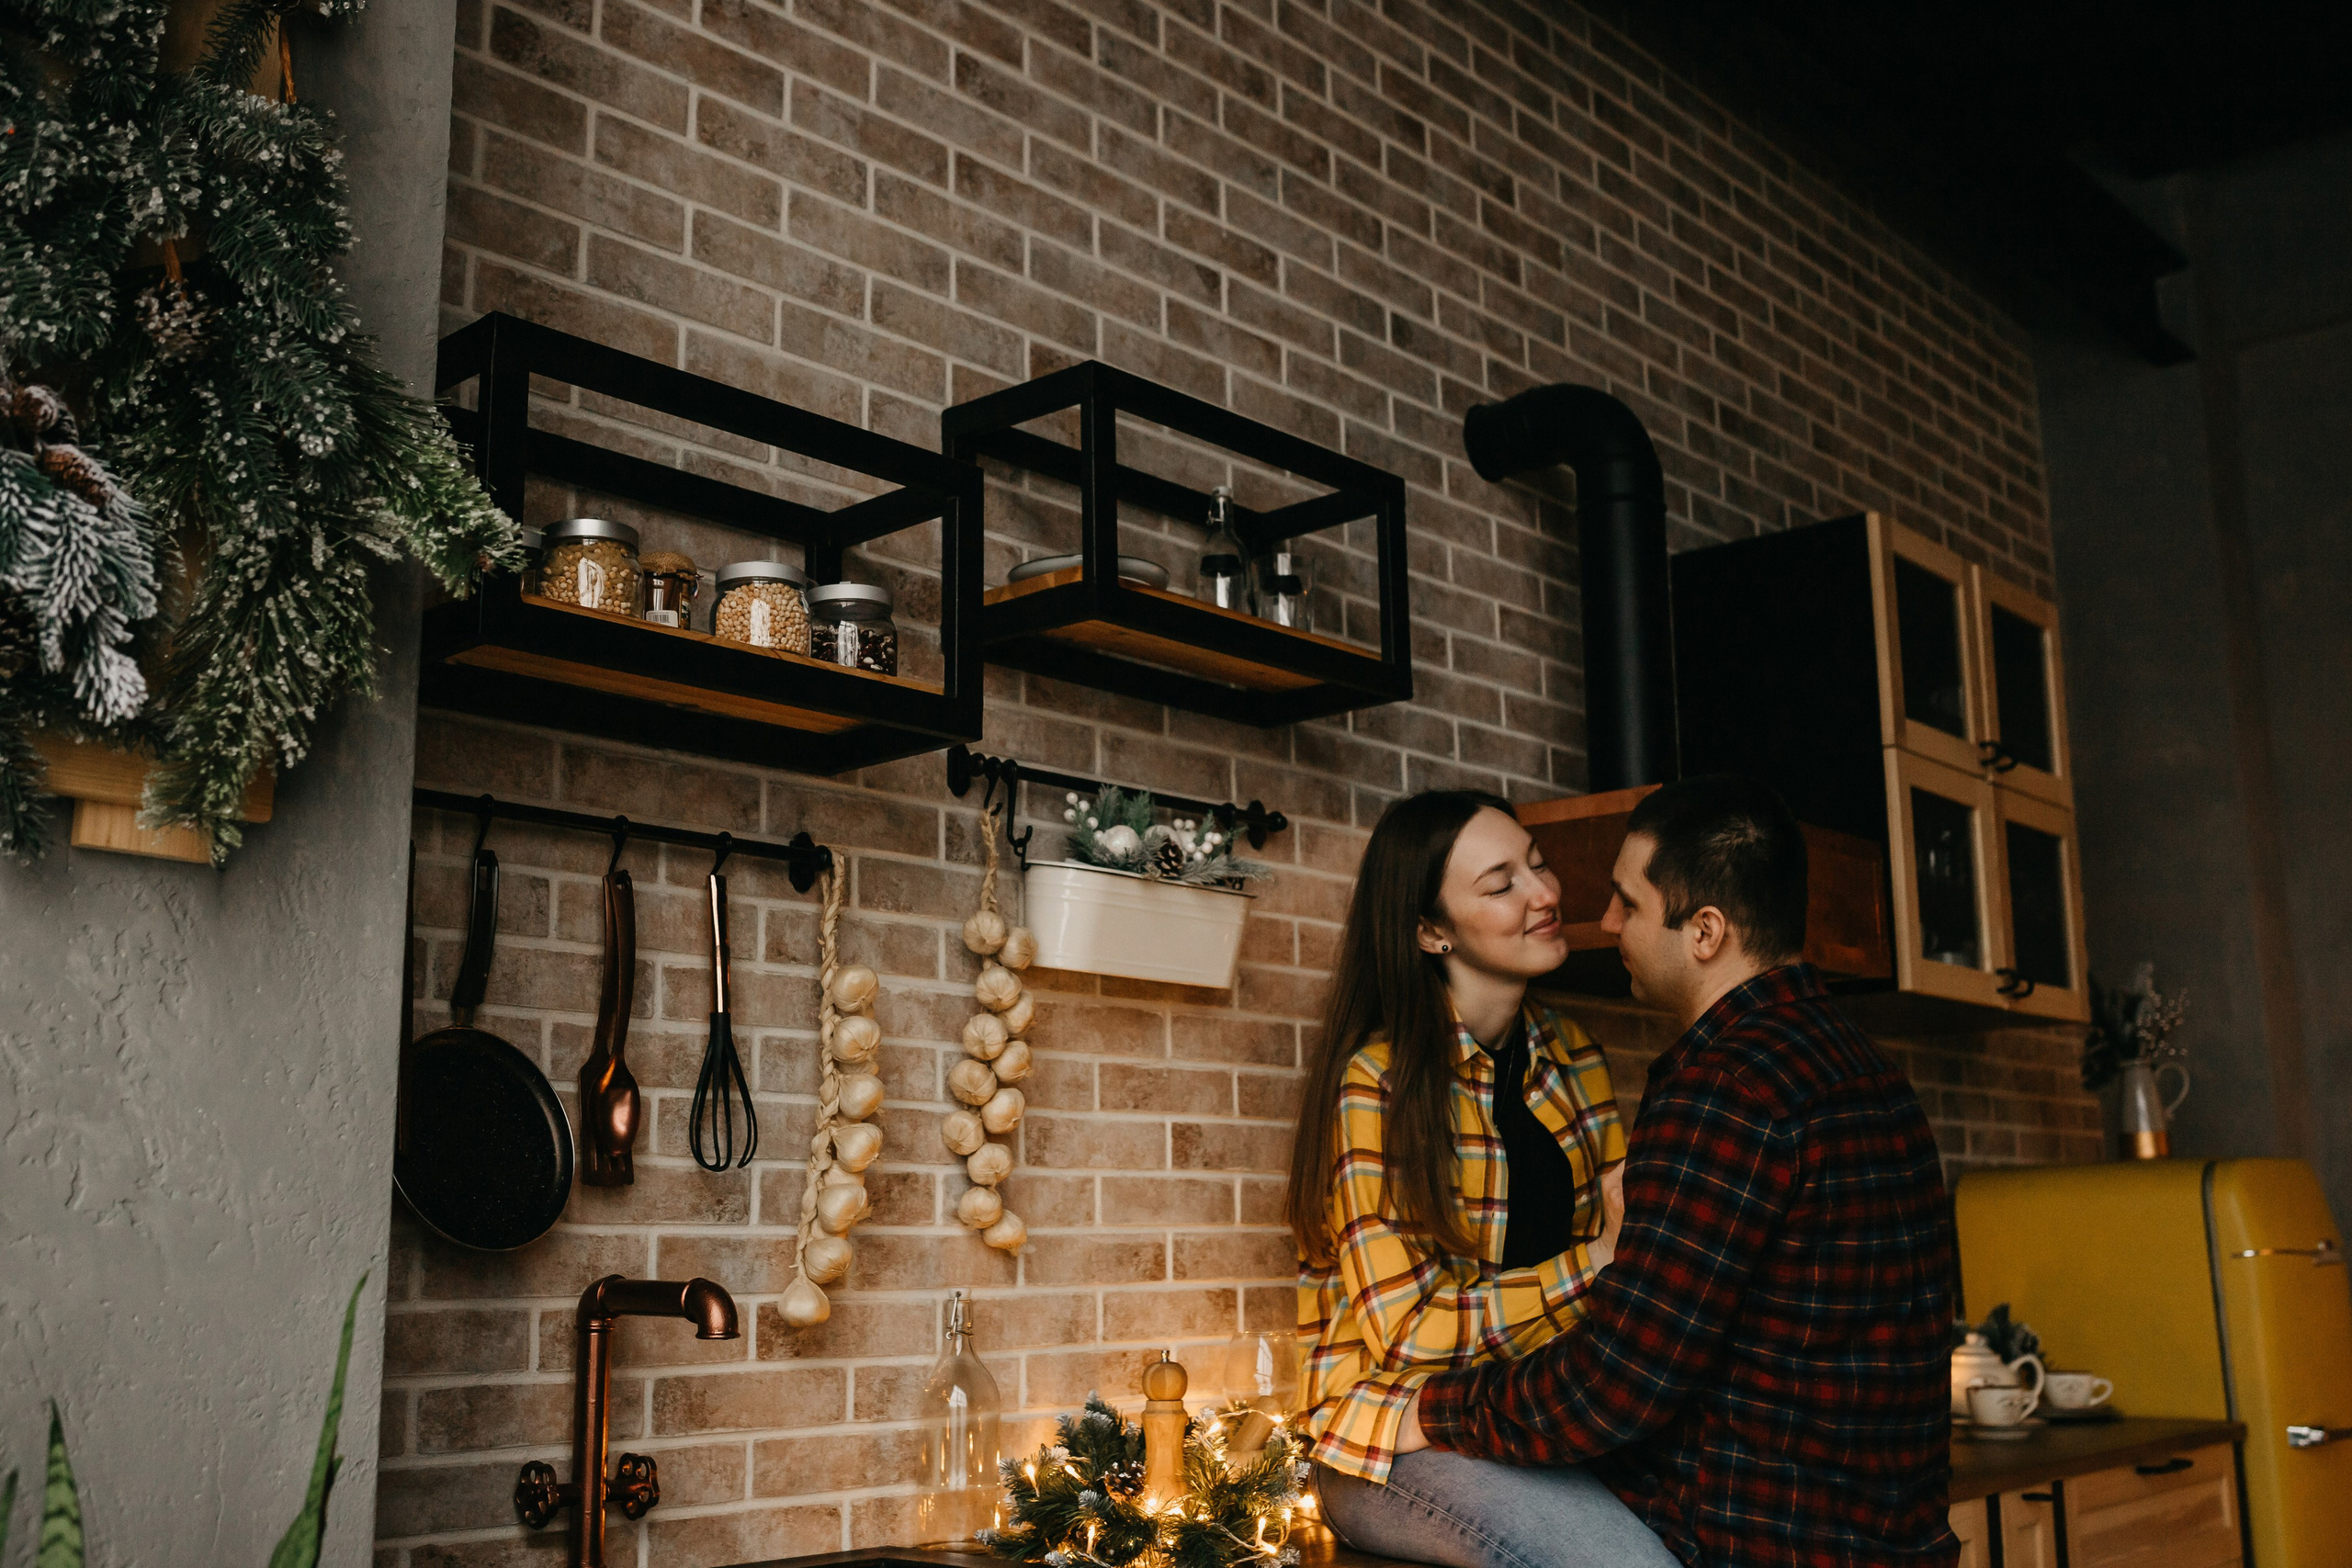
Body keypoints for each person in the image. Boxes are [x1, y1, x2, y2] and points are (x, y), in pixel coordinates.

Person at [1396, 775, 1959, 1568]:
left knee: (1397, 1474)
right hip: (1894, 1547)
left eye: (1627, 900)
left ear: (1705, 931)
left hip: (1757, 1545)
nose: (1607, 920)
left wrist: (1431, 1408)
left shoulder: (1727, 1091)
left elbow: (1614, 1385)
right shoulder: (1873, 1075)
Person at [1288, 790, 1682, 1568]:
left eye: (1536, 865)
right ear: (1430, 930)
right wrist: (1592, 1267)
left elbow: (1629, 1240)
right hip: (1389, 1442)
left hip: (1537, 1414)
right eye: (1501, 884)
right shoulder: (1380, 1083)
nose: (1545, 893)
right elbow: (1403, 1333)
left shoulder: (1574, 1057)